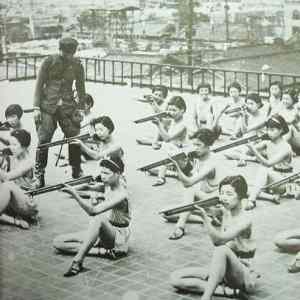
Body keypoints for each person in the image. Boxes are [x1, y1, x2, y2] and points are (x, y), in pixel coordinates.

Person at [170, 175, 259, 300]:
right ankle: (229, 292)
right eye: (222, 193)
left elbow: (218, 241)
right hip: (223, 271)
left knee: (221, 249)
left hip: (243, 275)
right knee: (176, 278)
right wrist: (203, 205)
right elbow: (193, 191)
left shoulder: (245, 219)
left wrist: (205, 219)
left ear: (240, 196)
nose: (224, 198)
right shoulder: (225, 211)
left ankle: (206, 297)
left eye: (229, 194)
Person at [53, 156, 131, 277]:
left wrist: (74, 194)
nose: (103, 176)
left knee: (98, 218)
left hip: (117, 236)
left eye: (106, 173)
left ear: (118, 174)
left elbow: (93, 211)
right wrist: (70, 186)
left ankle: (77, 261)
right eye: (102, 172)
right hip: (104, 231)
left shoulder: (121, 194)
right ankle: (104, 252)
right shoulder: (108, 184)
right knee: (58, 242)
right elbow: (88, 186)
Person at [33, 37, 86, 188]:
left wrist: (81, 108)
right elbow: (39, 85)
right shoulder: (49, 62)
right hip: (47, 106)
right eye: (66, 53)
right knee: (44, 139)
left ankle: (76, 170)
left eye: (71, 53)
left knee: (74, 137)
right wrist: (36, 108)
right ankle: (39, 175)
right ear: (60, 50)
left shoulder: (77, 65)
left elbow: (81, 87)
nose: (69, 56)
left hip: (68, 107)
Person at [164, 129, 221, 240]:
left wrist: (177, 167)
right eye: (194, 144)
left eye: (199, 145)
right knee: (167, 213)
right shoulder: (198, 158)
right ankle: (206, 217)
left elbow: (188, 183)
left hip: (216, 202)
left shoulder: (212, 162)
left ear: (208, 145)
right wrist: (182, 165)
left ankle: (180, 227)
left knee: (190, 190)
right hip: (204, 201)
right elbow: (190, 176)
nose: (195, 148)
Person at [245, 114, 293, 209]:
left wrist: (253, 150)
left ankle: (251, 200)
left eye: (272, 130)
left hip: (283, 181)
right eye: (267, 129)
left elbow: (268, 163)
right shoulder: (268, 142)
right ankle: (271, 197)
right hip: (272, 178)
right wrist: (253, 143)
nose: (269, 132)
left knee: (263, 169)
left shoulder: (286, 147)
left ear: (281, 130)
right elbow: (248, 151)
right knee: (243, 188)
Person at [0, 129, 38, 229]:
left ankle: (14, 219)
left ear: (25, 147)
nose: (11, 148)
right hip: (11, 200)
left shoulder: (28, 162)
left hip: (26, 204)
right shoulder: (13, 156)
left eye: (15, 145)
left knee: (7, 184)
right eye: (10, 144)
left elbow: (7, 177)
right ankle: (16, 221)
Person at [151, 96, 187, 186]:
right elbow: (160, 113)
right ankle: (174, 173)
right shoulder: (173, 120)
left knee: (167, 146)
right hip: (175, 157)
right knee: (150, 169)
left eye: (174, 110)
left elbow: (167, 139)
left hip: (185, 161)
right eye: (170, 110)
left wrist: (159, 125)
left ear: (182, 110)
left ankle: (161, 177)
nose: (171, 113)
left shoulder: (183, 125)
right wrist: (153, 102)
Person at [224, 93, 267, 166]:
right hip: (247, 141)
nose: (249, 106)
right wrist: (242, 117)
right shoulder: (248, 115)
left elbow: (246, 130)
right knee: (227, 153)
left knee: (242, 150)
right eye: (247, 103)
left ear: (258, 105)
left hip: (258, 143)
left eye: (251, 104)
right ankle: (252, 159)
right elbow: (244, 132)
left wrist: (243, 116)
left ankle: (244, 157)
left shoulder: (263, 118)